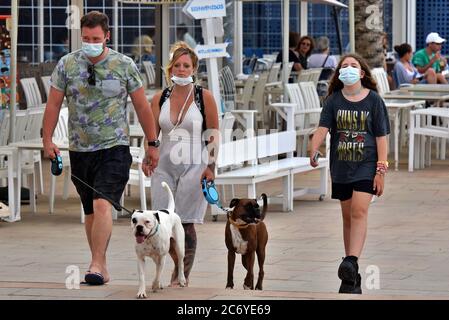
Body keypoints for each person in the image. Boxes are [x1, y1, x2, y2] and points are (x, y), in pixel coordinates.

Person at [42, 11, 160, 285]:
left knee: (102, 203)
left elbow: (142, 106)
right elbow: (53, 104)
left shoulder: (124, 64)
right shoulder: (67, 64)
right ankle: (102, 264)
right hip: (80, 149)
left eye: (96, 38)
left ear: (107, 36)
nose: (90, 43)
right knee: (91, 211)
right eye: (85, 38)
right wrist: (48, 140)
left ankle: (94, 263)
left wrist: (152, 143)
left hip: (114, 148)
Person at [310, 53, 390, 294]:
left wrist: (381, 170)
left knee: (358, 211)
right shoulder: (333, 100)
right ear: (339, 74)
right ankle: (350, 275)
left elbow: (381, 137)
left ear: (362, 73)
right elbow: (322, 129)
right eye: (344, 66)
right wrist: (314, 148)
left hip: (367, 165)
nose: (348, 69)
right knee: (347, 216)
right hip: (341, 168)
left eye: (353, 66)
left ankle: (351, 261)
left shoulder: (374, 101)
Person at [142, 41, 219, 287]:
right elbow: (152, 135)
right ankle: (175, 266)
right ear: (170, 69)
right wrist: (148, 154)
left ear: (194, 69)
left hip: (195, 166)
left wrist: (211, 167)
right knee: (163, 223)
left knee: (185, 222)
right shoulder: (159, 98)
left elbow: (213, 132)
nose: (182, 69)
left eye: (186, 65)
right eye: (177, 65)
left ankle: (181, 273)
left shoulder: (203, 96)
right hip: (164, 166)